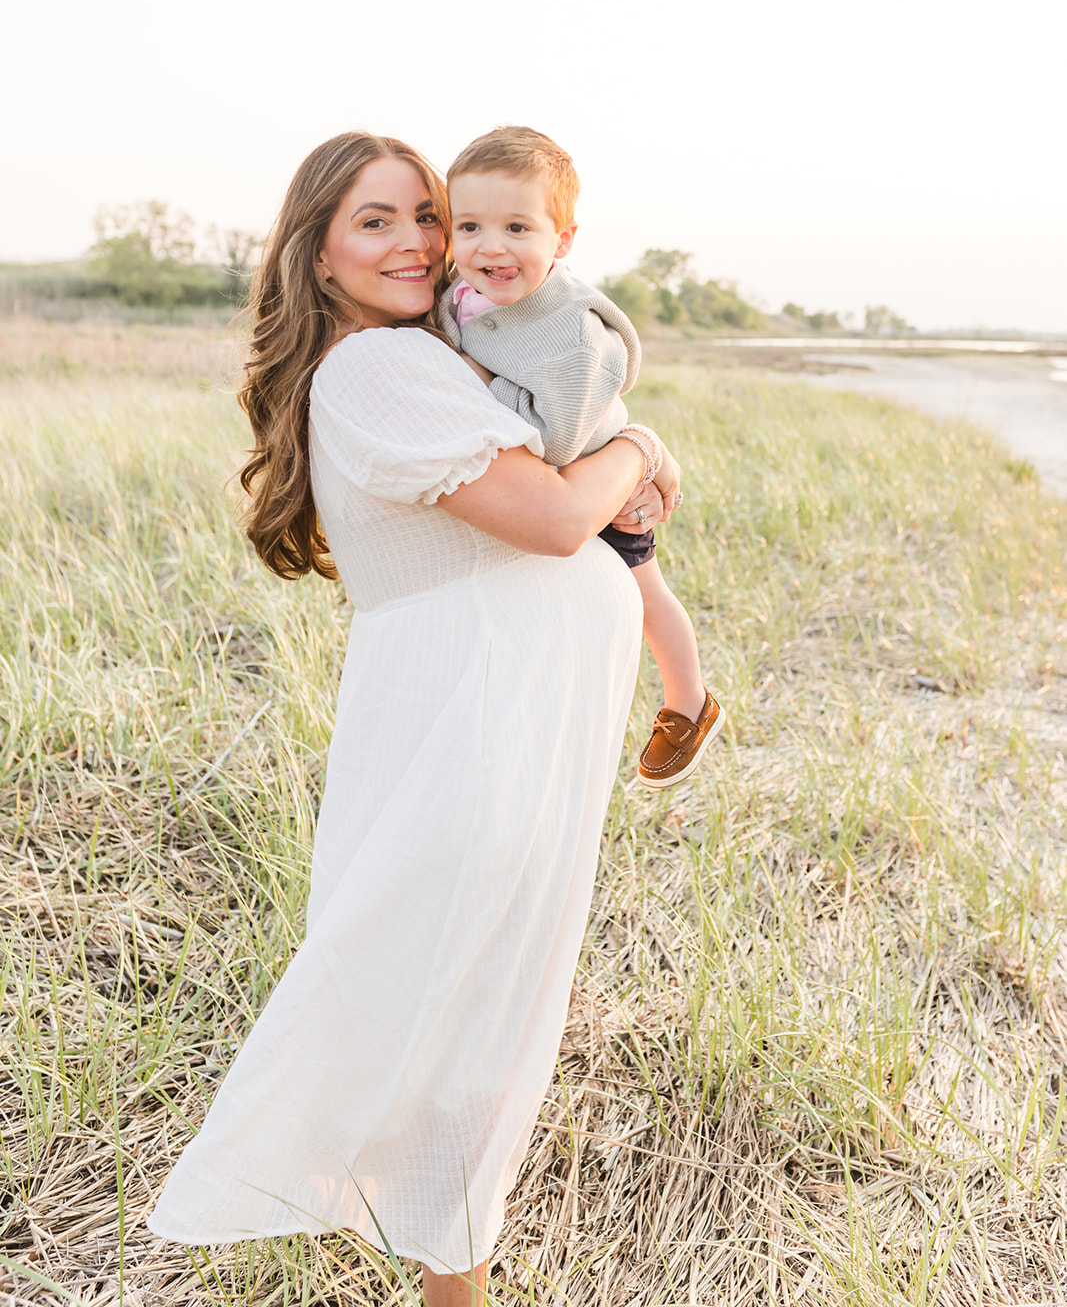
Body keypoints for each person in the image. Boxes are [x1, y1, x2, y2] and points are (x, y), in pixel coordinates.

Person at [148, 131, 680, 1307]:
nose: (418, 244)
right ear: (317, 250)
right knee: (468, 1046)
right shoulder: (375, 369)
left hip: (497, 726)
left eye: (424, 217)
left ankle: (453, 1285)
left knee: (475, 1045)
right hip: (476, 733)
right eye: (373, 221)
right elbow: (548, 520)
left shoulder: (421, 356)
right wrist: (641, 442)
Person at [442, 125, 724, 790]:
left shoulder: (571, 334)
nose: (491, 247)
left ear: (561, 240)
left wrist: (477, 384)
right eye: (470, 227)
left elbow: (558, 440)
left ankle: (688, 702)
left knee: (645, 590)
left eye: (517, 228)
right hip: (552, 488)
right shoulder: (459, 294)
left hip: (600, 482)